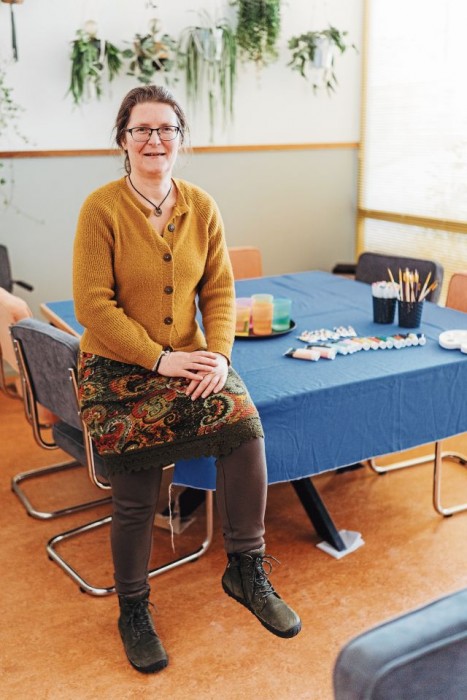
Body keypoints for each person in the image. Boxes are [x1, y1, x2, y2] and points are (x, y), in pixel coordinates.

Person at [73, 84, 301, 675]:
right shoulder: (101, 208)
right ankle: (132, 608)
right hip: (118, 367)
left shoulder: (201, 206)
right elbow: (93, 305)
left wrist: (219, 356)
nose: (155, 140)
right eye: (141, 129)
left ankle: (245, 569)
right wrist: (157, 360)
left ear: (180, 139)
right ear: (123, 140)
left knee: (244, 427)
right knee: (136, 489)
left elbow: (220, 291)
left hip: (192, 358)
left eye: (166, 129)